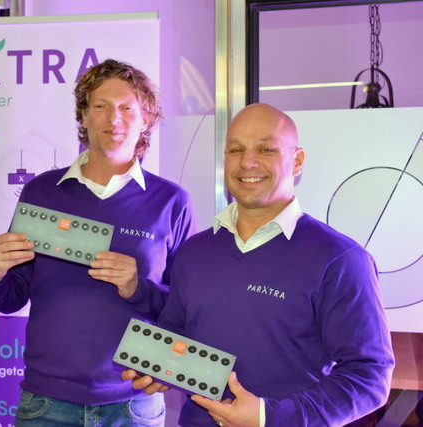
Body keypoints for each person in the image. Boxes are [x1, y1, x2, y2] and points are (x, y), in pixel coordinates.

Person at [123, 103, 395, 426]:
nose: (247, 162)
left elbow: (370, 376)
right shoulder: (195, 251)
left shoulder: (340, 259)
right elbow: (177, 331)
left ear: (297, 161)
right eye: (235, 150)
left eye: (266, 149)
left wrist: (270, 417)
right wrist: (158, 365)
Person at [0, 59, 196, 426]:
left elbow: (187, 310)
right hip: (45, 405)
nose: (114, 119)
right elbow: (12, 297)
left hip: (133, 405)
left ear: (146, 119)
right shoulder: (42, 192)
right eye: (100, 106)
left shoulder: (171, 202)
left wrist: (138, 288)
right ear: (83, 115)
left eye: (127, 108)